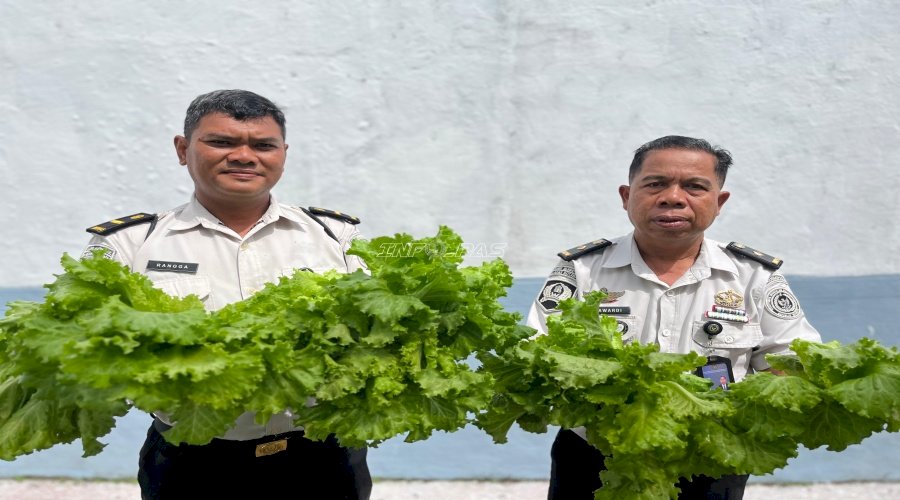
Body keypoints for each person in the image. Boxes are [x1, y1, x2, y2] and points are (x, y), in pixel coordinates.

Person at [81, 89, 372, 499]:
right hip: (192, 464)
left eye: (263, 145)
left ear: (283, 154)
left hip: (323, 459)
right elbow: (90, 343)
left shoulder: (335, 235)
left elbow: (376, 336)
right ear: (183, 149)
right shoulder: (128, 244)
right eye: (221, 142)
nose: (244, 155)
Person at [526, 135, 822, 500]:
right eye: (655, 184)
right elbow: (537, 354)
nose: (673, 197)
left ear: (719, 202)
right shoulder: (583, 270)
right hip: (598, 453)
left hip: (710, 456)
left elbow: (793, 360)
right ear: (626, 196)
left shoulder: (753, 277)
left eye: (695, 187)